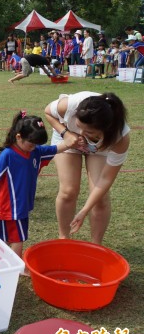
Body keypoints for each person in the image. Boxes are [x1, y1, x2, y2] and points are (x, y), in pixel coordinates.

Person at [44, 92, 130, 245]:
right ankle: (63, 239)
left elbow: (105, 179)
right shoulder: (70, 105)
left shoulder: (120, 137)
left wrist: (84, 210)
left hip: (101, 147)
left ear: (105, 129)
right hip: (66, 136)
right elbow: (48, 112)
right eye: (79, 127)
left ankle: (95, 246)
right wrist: (67, 133)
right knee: (68, 191)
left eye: (89, 132)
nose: (82, 134)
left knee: (101, 198)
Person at [0, 112, 69, 259]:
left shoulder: (35, 151)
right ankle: (18, 267)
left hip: (19, 205)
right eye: (31, 143)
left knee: (8, 236)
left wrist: (72, 141)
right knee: (18, 238)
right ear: (18, 137)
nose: (33, 147)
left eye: (36, 144)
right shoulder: (8, 155)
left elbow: (57, 148)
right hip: (13, 206)